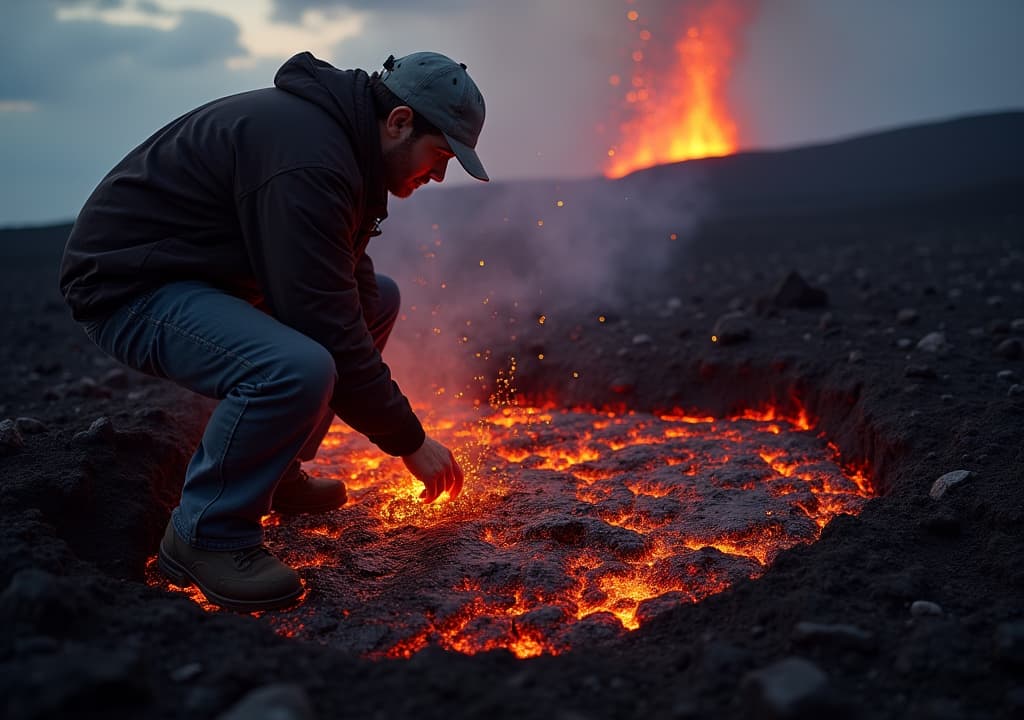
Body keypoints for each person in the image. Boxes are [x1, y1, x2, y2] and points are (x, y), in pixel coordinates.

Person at [58, 50, 488, 612]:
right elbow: (324, 321)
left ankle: (276, 470)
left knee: (379, 299)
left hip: (203, 278)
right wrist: (409, 441)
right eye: (439, 154)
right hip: (129, 287)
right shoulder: (310, 158)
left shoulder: (342, 148)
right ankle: (206, 535)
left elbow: (342, 281)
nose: (438, 174)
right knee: (293, 367)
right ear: (400, 121)